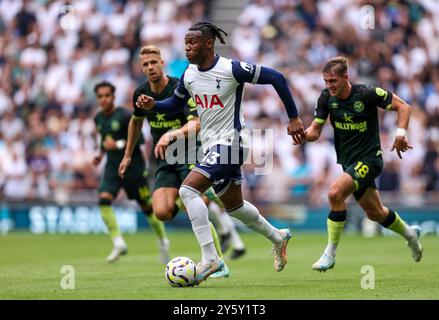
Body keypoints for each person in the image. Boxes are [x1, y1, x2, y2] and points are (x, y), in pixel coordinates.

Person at [132, 21, 306, 285]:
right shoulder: (189, 74)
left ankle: (210, 258)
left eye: (192, 43)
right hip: (212, 146)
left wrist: (293, 117)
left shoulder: (231, 69)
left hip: (233, 142)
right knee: (234, 207)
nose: (187, 48)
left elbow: (277, 78)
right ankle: (278, 237)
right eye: (186, 43)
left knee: (188, 190)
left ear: (209, 43)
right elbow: (175, 104)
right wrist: (153, 104)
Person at [118, 45, 243, 277]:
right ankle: (196, 200)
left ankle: (219, 261)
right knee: (162, 212)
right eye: (145, 64)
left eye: (153, 62)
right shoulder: (141, 93)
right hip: (164, 160)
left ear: (162, 62)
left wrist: (170, 134)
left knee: (195, 202)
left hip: (188, 153)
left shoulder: (180, 87)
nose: (150, 67)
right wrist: (127, 155)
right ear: (141, 68)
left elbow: (197, 123)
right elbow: (135, 122)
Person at [299, 56, 423, 272]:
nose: (329, 86)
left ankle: (330, 253)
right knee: (375, 213)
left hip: (370, 159)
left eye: (333, 81)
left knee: (335, 193)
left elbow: (404, 107)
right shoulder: (326, 98)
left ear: (346, 78)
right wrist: (303, 135)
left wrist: (400, 134)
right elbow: (315, 131)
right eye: (326, 81)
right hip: (348, 163)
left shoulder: (367, 93)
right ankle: (410, 234)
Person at [92, 81, 169, 263]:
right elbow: (105, 140)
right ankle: (119, 243)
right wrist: (100, 155)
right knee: (104, 200)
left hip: (133, 167)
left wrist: (118, 145)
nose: (103, 99)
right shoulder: (98, 118)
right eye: (100, 96)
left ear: (113, 96)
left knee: (148, 208)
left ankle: (162, 241)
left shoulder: (126, 115)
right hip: (112, 167)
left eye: (107, 95)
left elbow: (140, 140)